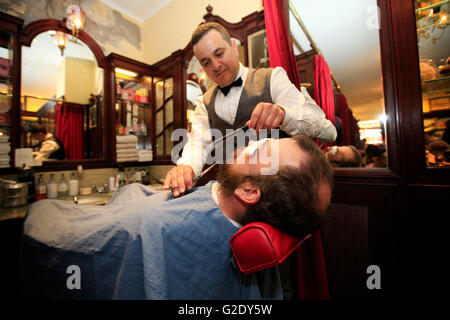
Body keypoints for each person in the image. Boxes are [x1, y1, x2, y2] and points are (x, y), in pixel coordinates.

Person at [20, 134, 333, 299]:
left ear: (250, 192)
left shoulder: (156, 229)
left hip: (107, 223)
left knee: (42, 211)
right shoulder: (223, 200)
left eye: (262, 150)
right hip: (140, 211)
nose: (252, 141)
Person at [164, 22, 337, 197]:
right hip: (232, 196)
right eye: (207, 62)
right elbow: (197, 144)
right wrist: (186, 166)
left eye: (219, 53)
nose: (216, 65)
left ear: (234, 47)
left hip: (280, 192)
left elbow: (327, 132)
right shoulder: (203, 102)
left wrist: (284, 115)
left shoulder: (273, 78)